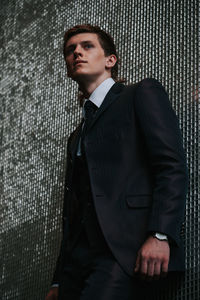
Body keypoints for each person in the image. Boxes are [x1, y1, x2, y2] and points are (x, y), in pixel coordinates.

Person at [45, 24, 188, 300]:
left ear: (110, 60)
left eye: (87, 46)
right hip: (76, 265)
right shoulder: (75, 136)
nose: (77, 52)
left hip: (124, 251)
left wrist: (160, 234)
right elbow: (72, 211)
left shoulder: (140, 94)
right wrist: (58, 279)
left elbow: (171, 167)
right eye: (70, 50)